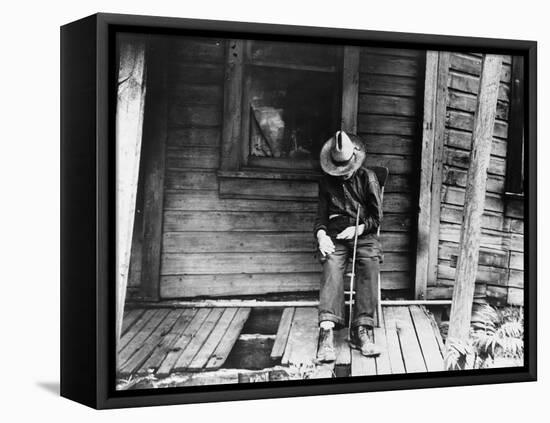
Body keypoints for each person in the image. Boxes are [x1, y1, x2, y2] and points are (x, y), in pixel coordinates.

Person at [314, 130, 383, 362]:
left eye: (346, 169)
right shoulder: (325, 182)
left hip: (363, 232)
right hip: (335, 234)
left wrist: (359, 229)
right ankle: (326, 332)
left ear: (354, 160)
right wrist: (322, 235)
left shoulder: (368, 178)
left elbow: (376, 218)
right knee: (331, 263)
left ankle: (362, 329)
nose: (342, 174)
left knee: (369, 263)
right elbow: (320, 217)